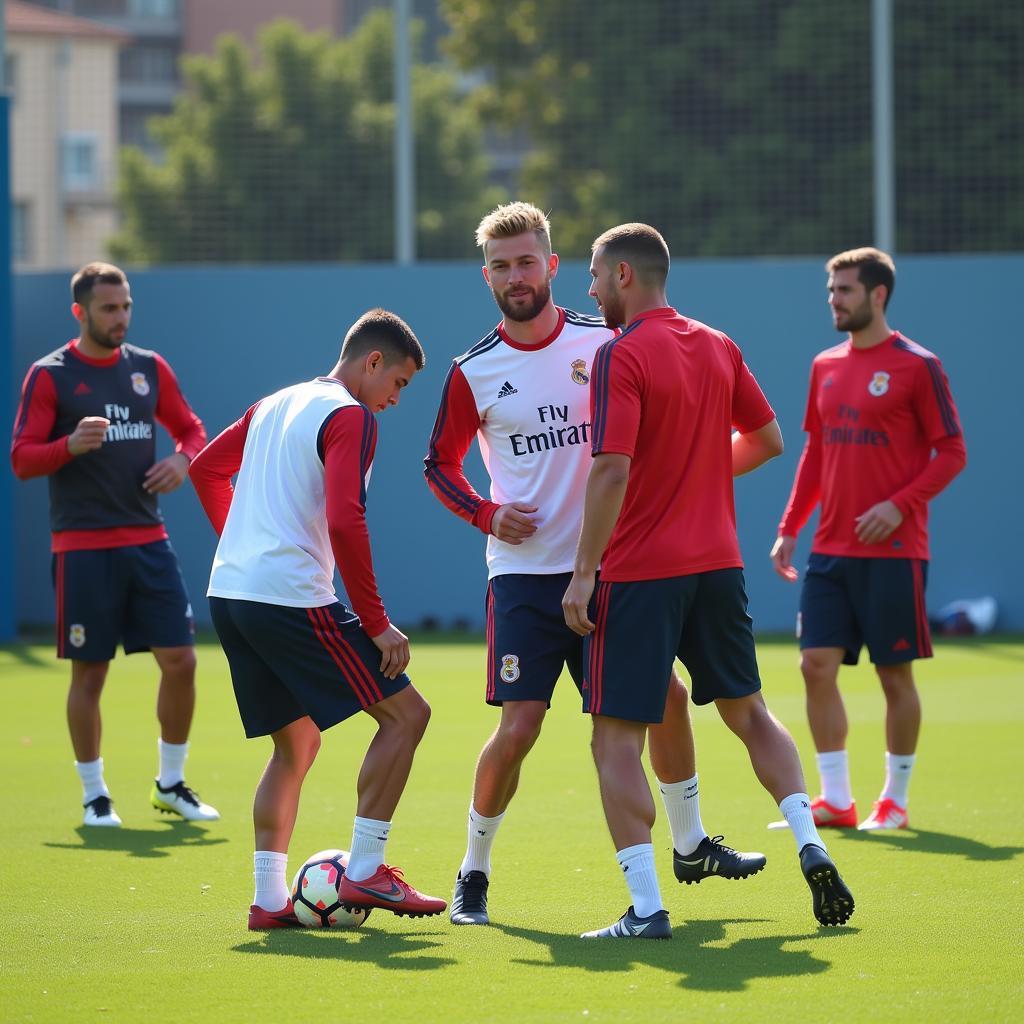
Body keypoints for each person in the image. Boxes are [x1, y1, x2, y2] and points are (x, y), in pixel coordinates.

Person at [424, 202, 764, 929]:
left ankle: (691, 842)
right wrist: (486, 514)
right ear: (485, 277)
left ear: (552, 266)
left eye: (528, 261)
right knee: (519, 728)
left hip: (615, 568)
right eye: (501, 265)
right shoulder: (472, 371)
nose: (516, 276)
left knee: (668, 701)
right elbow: (438, 466)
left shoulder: (609, 341)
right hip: (523, 576)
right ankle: (473, 871)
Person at [563, 223, 854, 939]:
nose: (591, 290)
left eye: (596, 276)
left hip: (641, 571)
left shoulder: (620, 353)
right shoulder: (717, 343)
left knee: (615, 739)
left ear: (625, 276)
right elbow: (768, 439)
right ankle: (809, 840)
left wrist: (583, 571)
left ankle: (647, 908)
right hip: (720, 566)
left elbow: (610, 468)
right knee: (750, 713)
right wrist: (693, 470)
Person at [189, 308, 446, 930]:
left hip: (232, 593)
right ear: (373, 362)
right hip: (288, 597)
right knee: (407, 715)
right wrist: (376, 621)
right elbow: (344, 520)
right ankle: (365, 870)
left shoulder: (274, 402)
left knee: (297, 742)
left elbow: (204, 469)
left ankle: (269, 900)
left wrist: (248, 545)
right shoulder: (349, 415)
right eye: (400, 384)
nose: (395, 399)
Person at [11, 262, 219, 828]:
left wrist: (181, 458)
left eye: (125, 305)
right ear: (80, 313)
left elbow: (192, 429)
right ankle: (94, 795)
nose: (120, 316)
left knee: (181, 661)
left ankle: (170, 784)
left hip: (149, 541)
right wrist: (69, 446)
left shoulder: (149, 369)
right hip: (81, 548)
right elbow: (22, 458)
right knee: (91, 674)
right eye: (108, 308)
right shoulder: (49, 375)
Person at [770, 247, 966, 831]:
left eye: (845, 291)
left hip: (894, 550)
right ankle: (835, 799)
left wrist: (898, 505)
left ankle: (895, 800)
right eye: (831, 291)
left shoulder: (917, 365)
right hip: (831, 549)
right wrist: (789, 529)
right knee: (814, 665)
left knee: (893, 675)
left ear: (878, 294)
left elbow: (952, 452)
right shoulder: (824, 365)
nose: (834, 300)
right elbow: (814, 452)